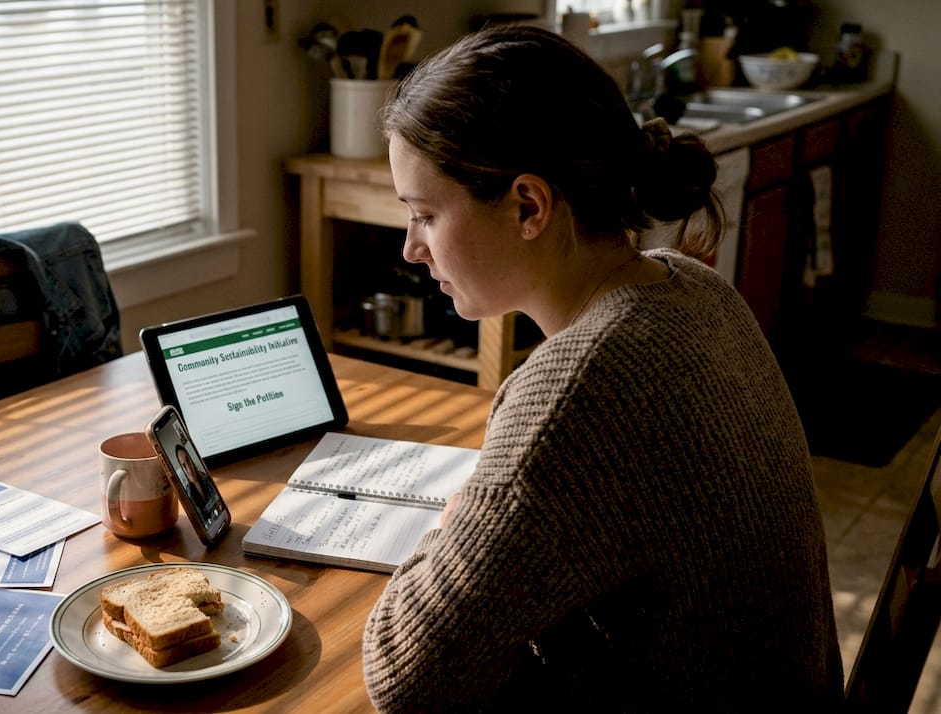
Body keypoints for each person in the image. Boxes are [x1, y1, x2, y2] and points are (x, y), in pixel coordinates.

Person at [361, 23, 842, 712]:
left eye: (426, 215)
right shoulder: (696, 288)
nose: (411, 248)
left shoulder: (579, 393)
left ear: (529, 206)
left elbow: (404, 678)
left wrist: (447, 525)